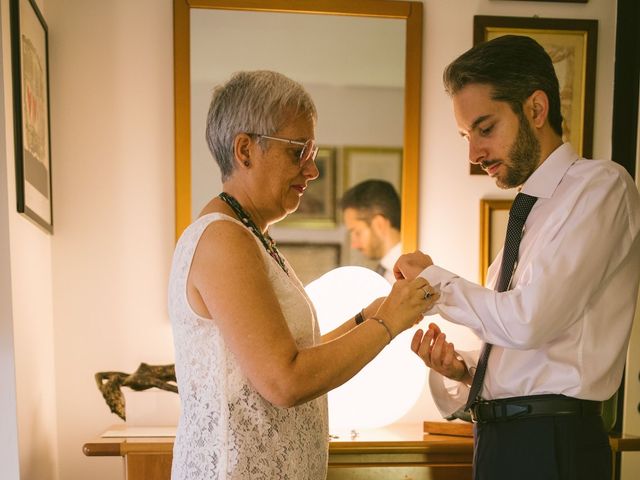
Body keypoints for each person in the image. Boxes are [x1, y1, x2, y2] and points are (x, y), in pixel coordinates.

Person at [168, 70, 436, 480]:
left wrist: (370, 314)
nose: (312, 171)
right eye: (299, 152)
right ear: (244, 151)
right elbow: (285, 380)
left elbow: (291, 355)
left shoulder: (250, 236)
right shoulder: (224, 239)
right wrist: (388, 322)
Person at [394, 35, 640, 480]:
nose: (473, 154)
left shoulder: (601, 187)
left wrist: (433, 281)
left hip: (552, 444)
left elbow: (529, 320)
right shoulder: (527, 215)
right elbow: (531, 349)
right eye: (467, 136)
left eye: (485, 129)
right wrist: (465, 368)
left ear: (536, 109)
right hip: (502, 443)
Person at [340, 179, 402, 283]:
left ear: (379, 224)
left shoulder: (411, 274)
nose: (354, 245)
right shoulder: (385, 272)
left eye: (357, 232)